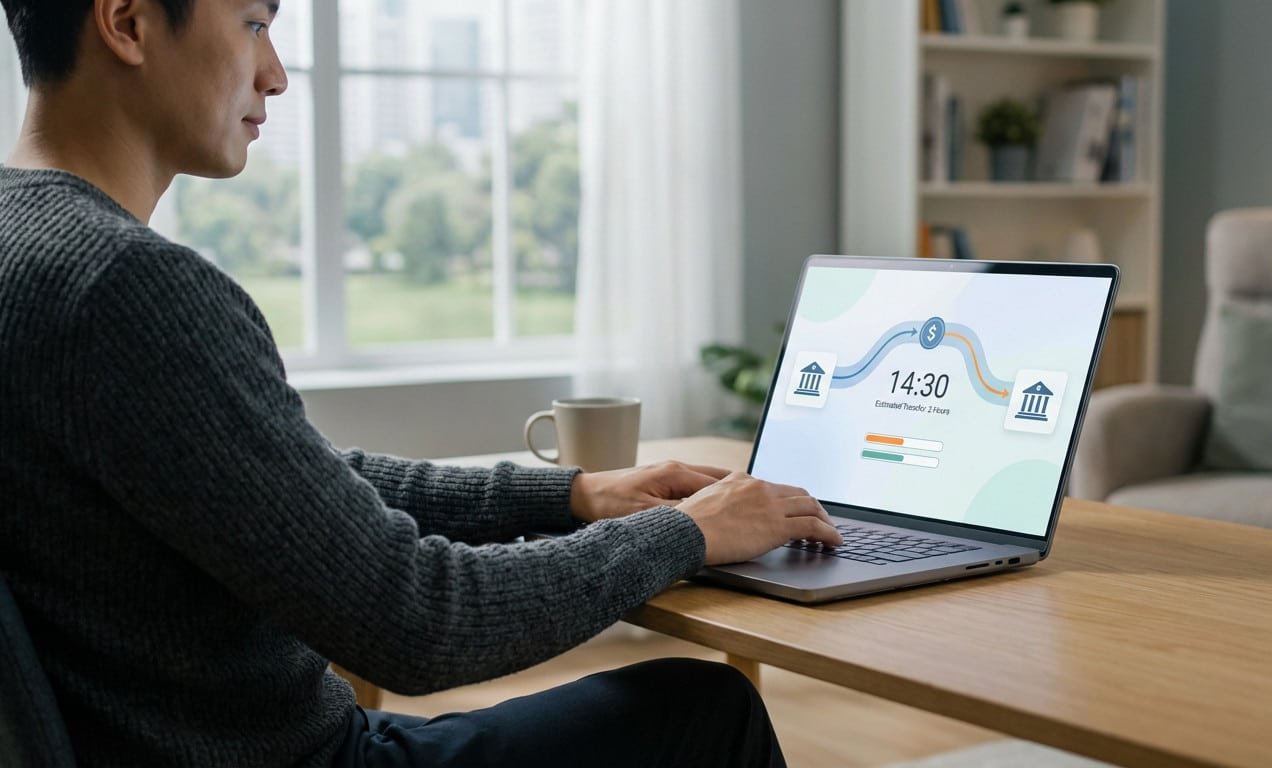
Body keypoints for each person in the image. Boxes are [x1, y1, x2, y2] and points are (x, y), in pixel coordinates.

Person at [0, 0, 844, 765]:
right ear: (128, 23)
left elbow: (301, 485)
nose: (276, 74)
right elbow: (418, 621)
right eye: (254, 23)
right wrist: (686, 532)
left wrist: (573, 496)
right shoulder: (127, 288)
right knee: (706, 712)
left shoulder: (25, 248)